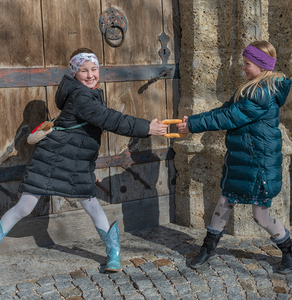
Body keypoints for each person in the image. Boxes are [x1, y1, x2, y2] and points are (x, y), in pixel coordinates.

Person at [0, 48, 168, 272]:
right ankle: (114, 253)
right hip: (52, 159)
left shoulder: (90, 93)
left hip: (76, 162)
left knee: (91, 204)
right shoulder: (80, 96)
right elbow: (110, 119)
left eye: (94, 69)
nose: (90, 75)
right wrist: (146, 127)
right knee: (25, 207)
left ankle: (113, 253)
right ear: (74, 74)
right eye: (83, 71)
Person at [177, 41, 292, 274]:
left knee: (260, 215)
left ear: (262, 66)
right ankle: (208, 248)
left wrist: (192, 125)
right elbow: (223, 111)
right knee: (225, 202)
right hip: (243, 161)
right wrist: (191, 121)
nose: (243, 67)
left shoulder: (262, 93)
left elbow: (229, 118)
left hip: (259, 165)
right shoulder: (251, 87)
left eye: (247, 64)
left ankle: (289, 247)